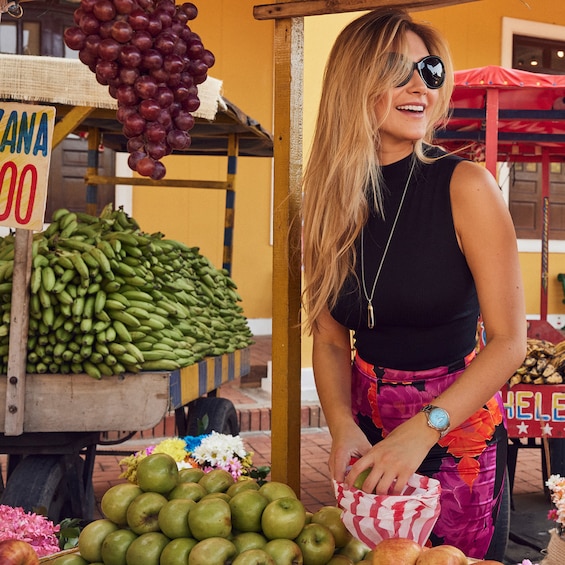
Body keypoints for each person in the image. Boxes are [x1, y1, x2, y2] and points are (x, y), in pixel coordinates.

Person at [301, 8, 526, 561]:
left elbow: (508, 341)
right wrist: (341, 426)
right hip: (367, 428)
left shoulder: (467, 186)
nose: (419, 87)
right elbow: (330, 338)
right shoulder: (322, 203)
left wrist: (424, 430)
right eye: (396, 70)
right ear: (355, 79)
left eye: (428, 70)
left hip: (457, 430)